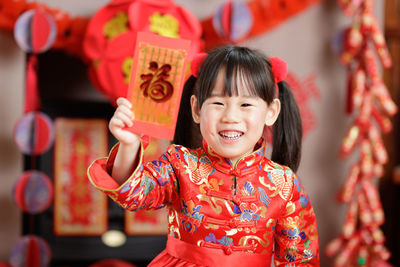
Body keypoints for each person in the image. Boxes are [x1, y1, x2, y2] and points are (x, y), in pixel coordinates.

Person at [88, 45, 319, 266]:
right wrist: (129, 144)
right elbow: (134, 193)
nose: (230, 116)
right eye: (218, 102)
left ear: (271, 112)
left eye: (246, 104)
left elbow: (300, 259)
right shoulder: (180, 164)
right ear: (197, 109)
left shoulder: (285, 184)